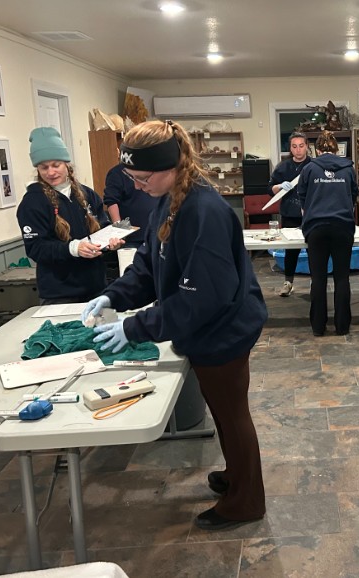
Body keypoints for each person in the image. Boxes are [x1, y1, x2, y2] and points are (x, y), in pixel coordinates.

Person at [80, 120, 268, 531]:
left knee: (232, 414)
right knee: (223, 411)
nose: (137, 186)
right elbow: (149, 266)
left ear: (170, 166)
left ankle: (246, 501)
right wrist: (114, 295)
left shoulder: (205, 211)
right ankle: (237, 477)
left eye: (143, 178)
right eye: (132, 178)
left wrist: (135, 328)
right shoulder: (166, 200)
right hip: (205, 327)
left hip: (224, 330)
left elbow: (203, 298)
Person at [16, 127, 124, 305]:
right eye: (44, 167)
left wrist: (111, 241)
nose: (51, 172)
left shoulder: (87, 194)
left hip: (96, 287)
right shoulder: (32, 202)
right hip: (59, 293)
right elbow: (36, 248)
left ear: (66, 163)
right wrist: (73, 248)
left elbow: (102, 227)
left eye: (56, 165)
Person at [296, 130, 358, 336]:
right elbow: (353, 197)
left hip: (316, 228)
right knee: (342, 277)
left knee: (318, 278)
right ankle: (342, 326)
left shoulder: (309, 169)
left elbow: (302, 198)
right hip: (342, 227)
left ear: (317, 149)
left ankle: (318, 326)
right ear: (336, 149)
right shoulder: (348, 169)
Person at [267, 131, 312, 296]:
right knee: (291, 251)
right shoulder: (283, 167)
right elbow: (270, 189)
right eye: (294, 146)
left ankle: (316, 283)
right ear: (290, 148)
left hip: (311, 215)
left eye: (301, 146)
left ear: (307, 146)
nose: (298, 150)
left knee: (314, 251)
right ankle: (288, 282)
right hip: (289, 215)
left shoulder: (314, 166)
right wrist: (280, 186)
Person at [103, 162, 161, 248]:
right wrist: (119, 232)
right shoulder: (117, 172)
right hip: (132, 238)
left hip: (157, 234)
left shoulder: (155, 169)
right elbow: (111, 201)